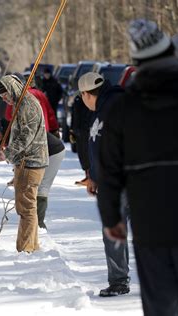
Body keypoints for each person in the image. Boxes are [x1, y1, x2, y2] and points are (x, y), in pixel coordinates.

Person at [97, 19, 178, 315]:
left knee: (161, 307)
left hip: (150, 228)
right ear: (171, 54)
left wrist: (111, 217)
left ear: (137, 63)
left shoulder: (122, 108)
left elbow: (108, 171)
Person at [78, 71, 129, 297]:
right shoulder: (102, 109)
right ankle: (119, 281)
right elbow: (98, 148)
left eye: (82, 97)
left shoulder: (116, 106)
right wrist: (93, 177)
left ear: (87, 94)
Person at [0, 75, 48, 253]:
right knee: (26, 207)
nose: (5, 100)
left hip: (31, 161)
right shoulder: (20, 103)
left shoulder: (27, 104)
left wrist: (7, 153)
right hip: (25, 161)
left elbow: (27, 135)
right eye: (2, 98)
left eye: (5, 96)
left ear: (12, 89)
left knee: (26, 208)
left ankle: (25, 249)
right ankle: (32, 246)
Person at [0, 115, 64, 230]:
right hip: (38, 154)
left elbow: (23, 149)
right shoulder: (5, 135)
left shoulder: (14, 129)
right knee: (32, 185)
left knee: (41, 187)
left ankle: (38, 225)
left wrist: (9, 159)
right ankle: (33, 223)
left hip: (52, 151)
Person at [71, 94, 92, 186]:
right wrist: (72, 130)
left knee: (87, 153)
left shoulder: (90, 97)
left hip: (86, 129)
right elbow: (74, 115)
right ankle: (88, 176)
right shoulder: (78, 98)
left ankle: (91, 177)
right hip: (78, 130)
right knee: (82, 154)